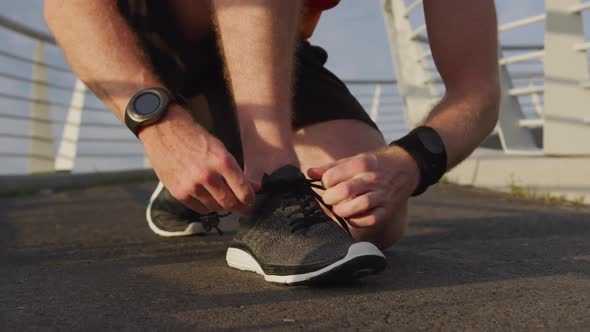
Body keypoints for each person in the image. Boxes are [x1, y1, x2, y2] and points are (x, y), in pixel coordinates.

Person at [44, 0, 500, 285]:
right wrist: (162, 128)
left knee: (368, 218)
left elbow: (477, 93)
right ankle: (267, 175)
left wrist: (409, 162)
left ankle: (230, 174)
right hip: (145, 44)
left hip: (265, 51)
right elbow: (66, 6)